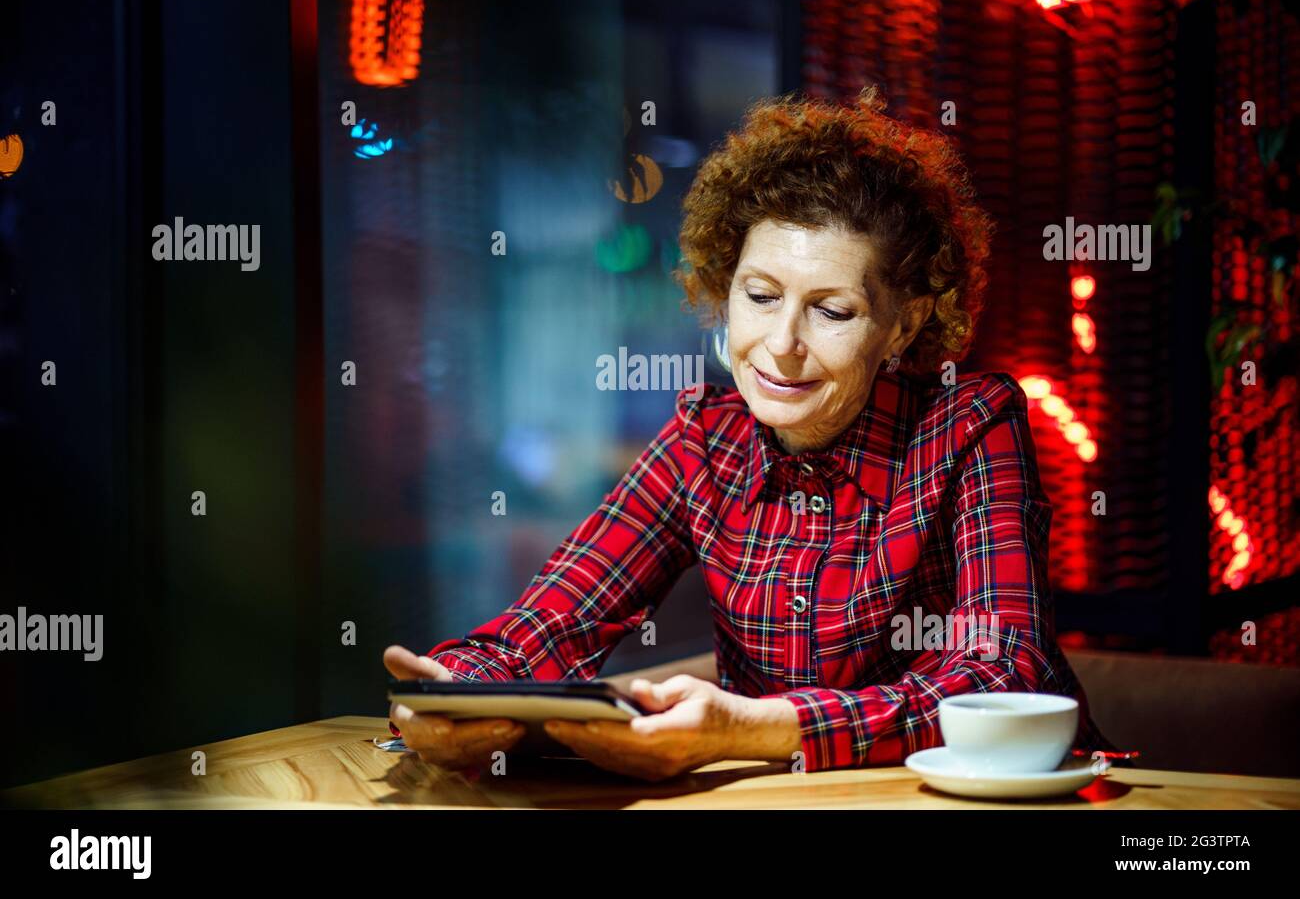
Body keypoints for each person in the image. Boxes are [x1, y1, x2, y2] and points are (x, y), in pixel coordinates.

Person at [384, 86, 1112, 781]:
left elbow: (999, 672)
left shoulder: (970, 422)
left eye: (831, 311)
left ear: (905, 323)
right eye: (760, 297)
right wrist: (454, 696)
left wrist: (756, 729)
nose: (780, 344)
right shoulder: (705, 439)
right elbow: (551, 622)